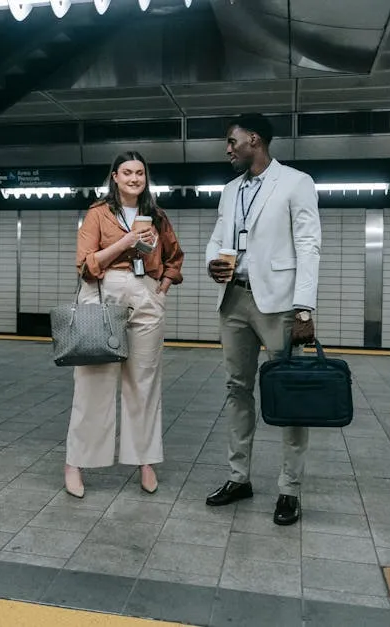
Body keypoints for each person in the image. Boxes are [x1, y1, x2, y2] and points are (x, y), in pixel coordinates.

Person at [204, 113, 321, 525]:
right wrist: (211, 264)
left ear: (254, 139)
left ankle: (290, 489)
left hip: (280, 304)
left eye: (232, 141)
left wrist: (305, 307)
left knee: (288, 395)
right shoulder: (230, 190)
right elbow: (219, 238)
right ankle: (239, 477)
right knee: (237, 389)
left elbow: (309, 246)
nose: (228, 149)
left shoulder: (295, 182)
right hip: (234, 301)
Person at [64, 151, 185, 499]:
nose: (134, 178)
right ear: (114, 176)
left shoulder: (157, 216)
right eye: (127, 172)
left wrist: (162, 287)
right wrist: (127, 240)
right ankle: (76, 462)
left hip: (146, 293)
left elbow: (175, 257)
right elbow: (86, 265)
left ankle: (145, 460)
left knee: (144, 382)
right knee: (93, 383)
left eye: (140, 173)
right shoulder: (97, 213)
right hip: (104, 294)